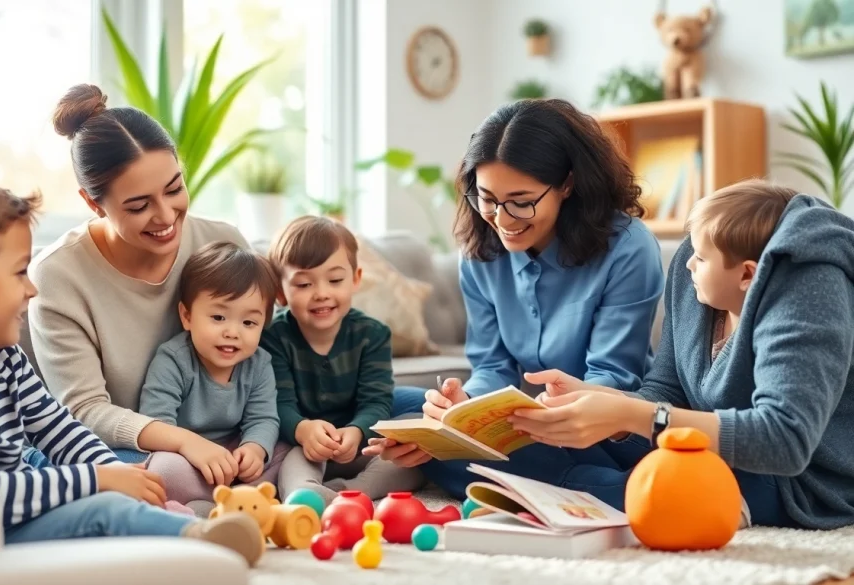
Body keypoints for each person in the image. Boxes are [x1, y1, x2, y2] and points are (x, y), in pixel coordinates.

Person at [372, 179, 854, 530]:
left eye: (701, 259)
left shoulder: (807, 286)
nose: (686, 263)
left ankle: (582, 489)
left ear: (748, 274)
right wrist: (594, 403)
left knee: (623, 484)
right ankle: (583, 487)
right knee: (405, 407)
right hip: (681, 447)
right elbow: (664, 389)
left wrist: (632, 414)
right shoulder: (696, 272)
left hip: (784, 483)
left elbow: (785, 441)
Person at [0, 170, 265, 565]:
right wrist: (98, 481)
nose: (32, 288)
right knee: (104, 511)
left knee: (109, 483)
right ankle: (196, 540)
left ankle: (158, 520)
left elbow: (57, 429)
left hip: (25, 485)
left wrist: (119, 477)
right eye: (19, 272)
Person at [366, 98, 665, 495]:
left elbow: (612, 378)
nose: (503, 221)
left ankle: (598, 487)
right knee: (392, 404)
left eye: (522, 203)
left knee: (471, 451)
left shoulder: (627, 247)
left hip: (605, 430)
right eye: (487, 199)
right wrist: (462, 404)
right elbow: (492, 367)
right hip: (530, 429)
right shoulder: (479, 251)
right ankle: (600, 490)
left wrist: (539, 416)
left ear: (567, 184)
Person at [28, 84, 249, 463]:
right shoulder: (58, 277)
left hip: (240, 439)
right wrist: (182, 442)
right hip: (134, 452)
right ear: (92, 203)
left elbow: (272, 359)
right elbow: (85, 411)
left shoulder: (223, 241)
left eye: (174, 188)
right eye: (138, 205)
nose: (165, 216)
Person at [260, 216, 424, 504]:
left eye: (335, 280)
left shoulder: (373, 335)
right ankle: (306, 494)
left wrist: (357, 431)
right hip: (305, 446)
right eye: (303, 284)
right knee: (290, 459)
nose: (322, 293)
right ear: (280, 292)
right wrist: (302, 429)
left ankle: (352, 492)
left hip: (358, 444)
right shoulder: (273, 336)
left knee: (414, 440)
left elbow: (376, 401)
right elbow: (278, 403)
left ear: (355, 279)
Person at [139, 242, 291, 515]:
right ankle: (233, 504)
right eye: (219, 317)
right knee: (163, 469)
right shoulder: (173, 360)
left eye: (248, 323)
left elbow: (263, 418)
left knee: (287, 450)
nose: (233, 332)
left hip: (234, 458)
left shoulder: (259, 363)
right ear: (187, 316)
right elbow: (156, 420)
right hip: (189, 460)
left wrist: (254, 449)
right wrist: (193, 451)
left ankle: (229, 503)